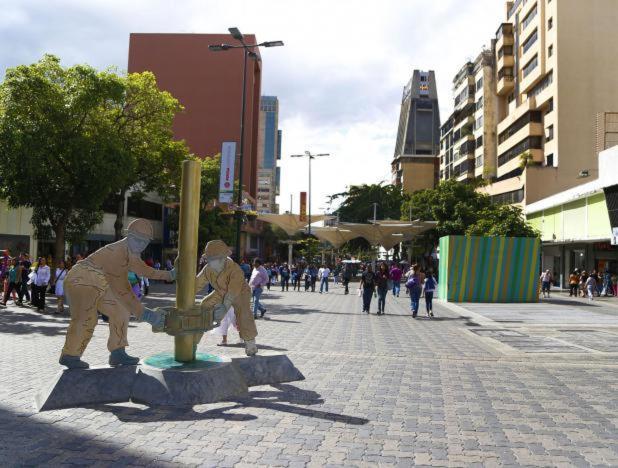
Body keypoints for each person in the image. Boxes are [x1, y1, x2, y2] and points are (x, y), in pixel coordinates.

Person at [59, 219, 174, 369]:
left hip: (100, 282)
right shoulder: (117, 252)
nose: (140, 244)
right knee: (87, 317)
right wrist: (145, 314)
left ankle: (117, 352)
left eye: (144, 242)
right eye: (137, 240)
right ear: (129, 236)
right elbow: (122, 290)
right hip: (81, 278)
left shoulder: (132, 253)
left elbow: (146, 270)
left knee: (121, 311)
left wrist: (170, 275)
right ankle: (70, 355)